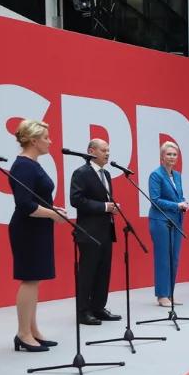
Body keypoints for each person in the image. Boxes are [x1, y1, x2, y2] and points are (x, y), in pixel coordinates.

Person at [8, 120, 63, 353]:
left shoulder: (33, 165)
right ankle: (23, 333)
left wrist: (52, 211)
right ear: (33, 140)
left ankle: (33, 330)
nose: (50, 142)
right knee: (29, 279)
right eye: (46, 138)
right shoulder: (23, 166)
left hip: (38, 227)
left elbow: (37, 199)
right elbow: (25, 205)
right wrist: (52, 213)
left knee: (35, 280)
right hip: (27, 228)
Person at [69, 139, 120, 326]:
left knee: (103, 271)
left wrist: (110, 208)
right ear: (91, 151)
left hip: (106, 230)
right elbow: (76, 200)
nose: (107, 153)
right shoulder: (81, 173)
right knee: (88, 273)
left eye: (109, 150)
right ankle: (83, 312)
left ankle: (98, 307)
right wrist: (104, 206)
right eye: (104, 150)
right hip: (88, 231)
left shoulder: (106, 173)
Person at [149, 141, 189, 308]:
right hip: (160, 221)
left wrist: (183, 202)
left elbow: (178, 196)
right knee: (163, 259)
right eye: (169, 154)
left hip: (176, 220)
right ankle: (161, 295)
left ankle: (170, 293)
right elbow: (155, 199)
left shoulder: (178, 175)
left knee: (174, 258)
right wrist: (176, 205)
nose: (172, 157)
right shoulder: (156, 175)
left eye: (175, 154)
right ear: (162, 156)